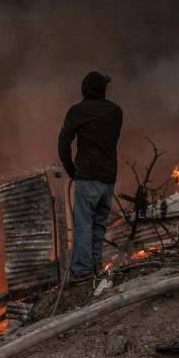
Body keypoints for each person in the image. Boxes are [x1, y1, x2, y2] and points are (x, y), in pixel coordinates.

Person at [57, 71, 123, 282]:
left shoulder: (77, 112)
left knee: (83, 223)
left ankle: (83, 271)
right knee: (99, 225)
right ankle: (95, 265)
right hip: (109, 178)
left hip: (87, 179)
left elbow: (63, 145)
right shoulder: (115, 111)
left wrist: (72, 171)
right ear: (102, 90)